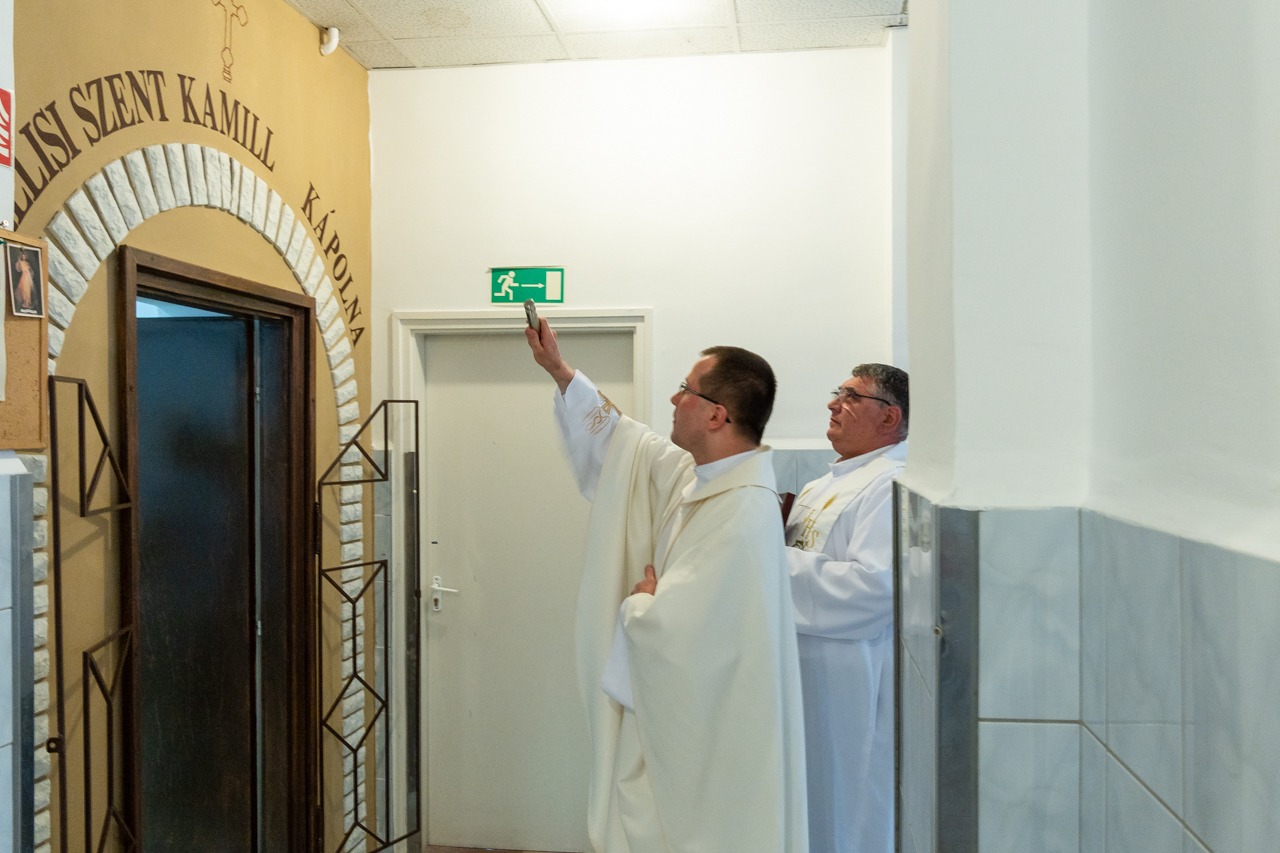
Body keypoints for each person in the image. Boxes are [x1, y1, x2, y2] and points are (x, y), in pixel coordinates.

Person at [526, 318, 807, 853]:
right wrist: (560, 372)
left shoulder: (742, 512)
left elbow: (684, 637)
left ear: (717, 415)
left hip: (710, 743)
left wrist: (641, 607)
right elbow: (627, 445)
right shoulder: (700, 475)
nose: (675, 399)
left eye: (686, 389)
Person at [783, 363, 908, 853]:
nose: (834, 404)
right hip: (804, 670)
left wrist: (767, 559)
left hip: (848, 680)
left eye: (851, 397)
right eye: (839, 394)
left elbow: (872, 589)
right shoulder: (823, 484)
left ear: (889, 417)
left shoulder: (890, 483)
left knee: (843, 807)